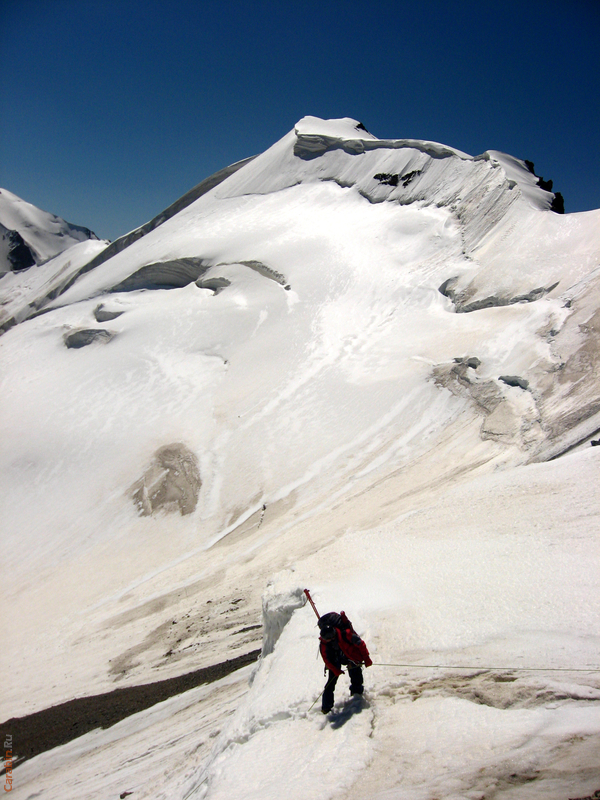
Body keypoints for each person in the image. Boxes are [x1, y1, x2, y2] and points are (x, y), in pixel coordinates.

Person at [318, 611, 372, 714]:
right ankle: (326, 707)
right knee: (331, 681)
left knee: (355, 670)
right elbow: (327, 659)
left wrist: (366, 659)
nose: (332, 639)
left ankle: (357, 693)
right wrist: (335, 669)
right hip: (336, 658)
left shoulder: (346, 634)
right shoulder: (324, 644)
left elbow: (360, 644)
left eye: (332, 637)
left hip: (348, 655)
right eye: (329, 638)